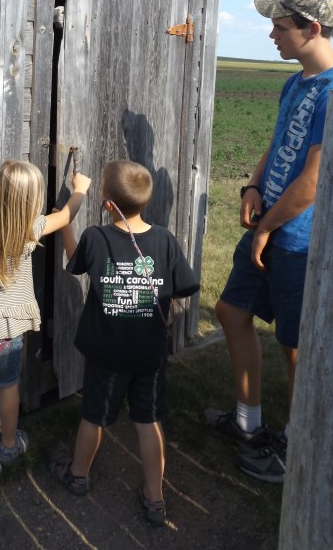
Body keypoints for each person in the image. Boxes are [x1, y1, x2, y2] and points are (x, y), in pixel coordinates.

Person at [205, 0, 333, 484]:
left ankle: (296, 447)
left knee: (295, 347)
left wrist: (267, 229)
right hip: (269, 224)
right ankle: (249, 424)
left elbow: (313, 182)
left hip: (297, 239)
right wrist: (253, 186)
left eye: (281, 24)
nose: (271, 34)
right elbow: (277, 145)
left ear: (312, 29)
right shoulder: (297, 82)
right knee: (231, 311)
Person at [49, 160, 199, 527]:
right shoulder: (163, 240)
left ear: (107, 202)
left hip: (107, 351)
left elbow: (75, 261)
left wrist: (64, 222)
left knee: (95, 415)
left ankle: (78, 474)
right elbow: (184, 285)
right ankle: (155, 497)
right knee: (148, 420)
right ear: (145, 201)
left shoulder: (97, 238)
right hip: (148, 353)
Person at [0, 160, 92, 486]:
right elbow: (67, 215)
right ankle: (9, 446)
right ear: (31, 199)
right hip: (4, 331)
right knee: (8, 387)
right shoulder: (30, 228)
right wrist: (79, 189)